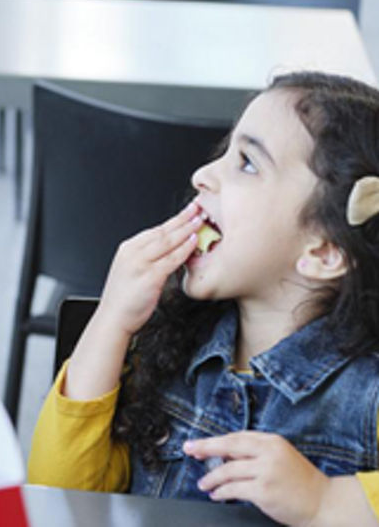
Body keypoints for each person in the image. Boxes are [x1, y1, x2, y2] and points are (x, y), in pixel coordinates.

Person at [29, 72, 379, 526]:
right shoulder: (167, 348)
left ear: (324, 251)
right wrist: (111, 322)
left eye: (248, 163)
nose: (202, 175)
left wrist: (326, 502)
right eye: (225, 152)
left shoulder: (367, 393)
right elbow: (59, 495)